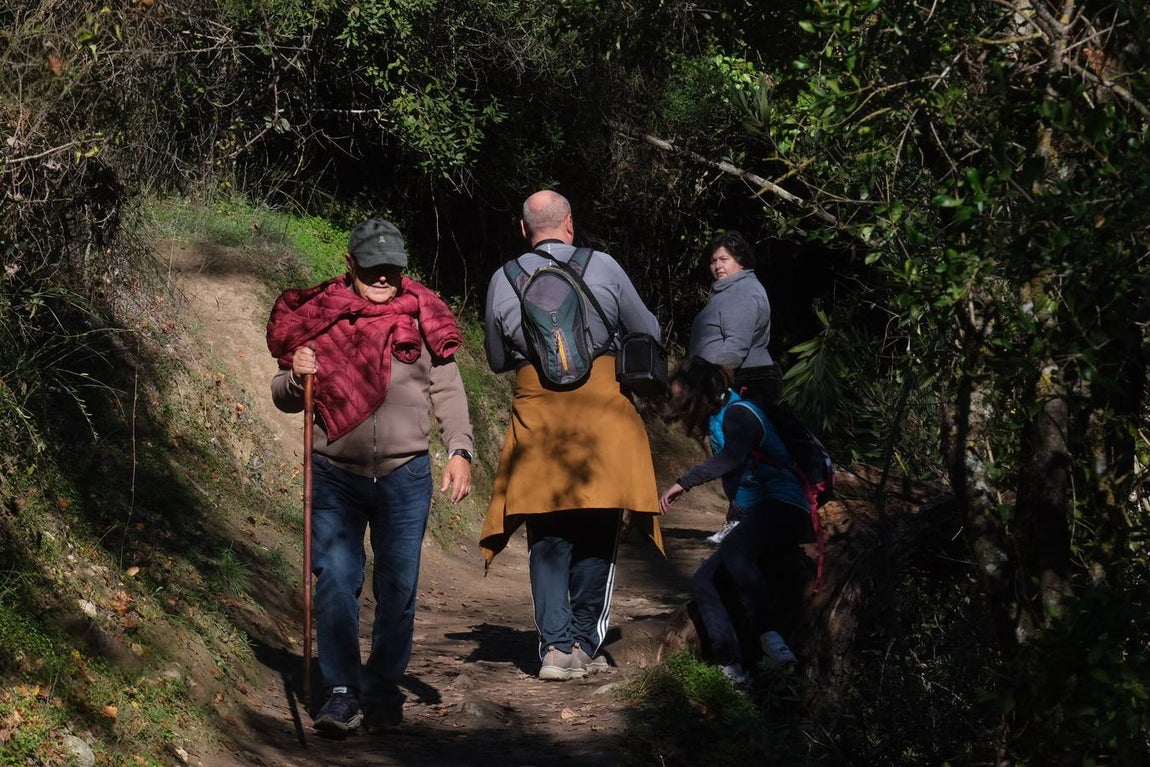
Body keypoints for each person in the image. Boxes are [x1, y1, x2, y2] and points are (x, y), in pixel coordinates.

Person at [266, 218, 475, 734]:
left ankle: (381, 687)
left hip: (406, 475)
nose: (383, 277)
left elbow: (447, 388)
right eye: (372, 267)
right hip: (334, 473)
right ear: (350, 263)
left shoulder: (424, 315)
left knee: (398, 587)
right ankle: (340, 691)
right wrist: (296, 376)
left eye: (392, 269)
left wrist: (460, 450)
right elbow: (284, 395)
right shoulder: (323, 315)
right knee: (337, 580)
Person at [480, 190, 664, 681]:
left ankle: (555, 650)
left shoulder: (503, 278)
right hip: (603, 417)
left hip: (538, 419)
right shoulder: (603, 265)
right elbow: (647, 330)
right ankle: (584, 641)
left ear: (524, 230)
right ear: (570, 224)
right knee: (599, 528)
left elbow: (496, 359)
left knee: (547, 533)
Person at [659, 357, 812, 684]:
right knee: (704, 580)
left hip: (785, 505)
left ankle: (771, 639)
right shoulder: (721, 416)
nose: (679, 406)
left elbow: (731, 459)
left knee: (735, 550)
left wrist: (683, 483)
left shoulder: (740, 414)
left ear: (698, 392)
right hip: (757, 514)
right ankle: (730, 668)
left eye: (682, 397)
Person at [687, 230, 782, 543]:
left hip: (744, 381)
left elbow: (736, 346)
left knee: (741, 455)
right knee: (736, 453)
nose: (717, 265)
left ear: (740, 260)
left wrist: (710, 376)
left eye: (724, 259)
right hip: (731, 380)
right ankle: (743, 520)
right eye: (713, 260)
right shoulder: (729, 291)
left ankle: (742, 521)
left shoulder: (742, 292)